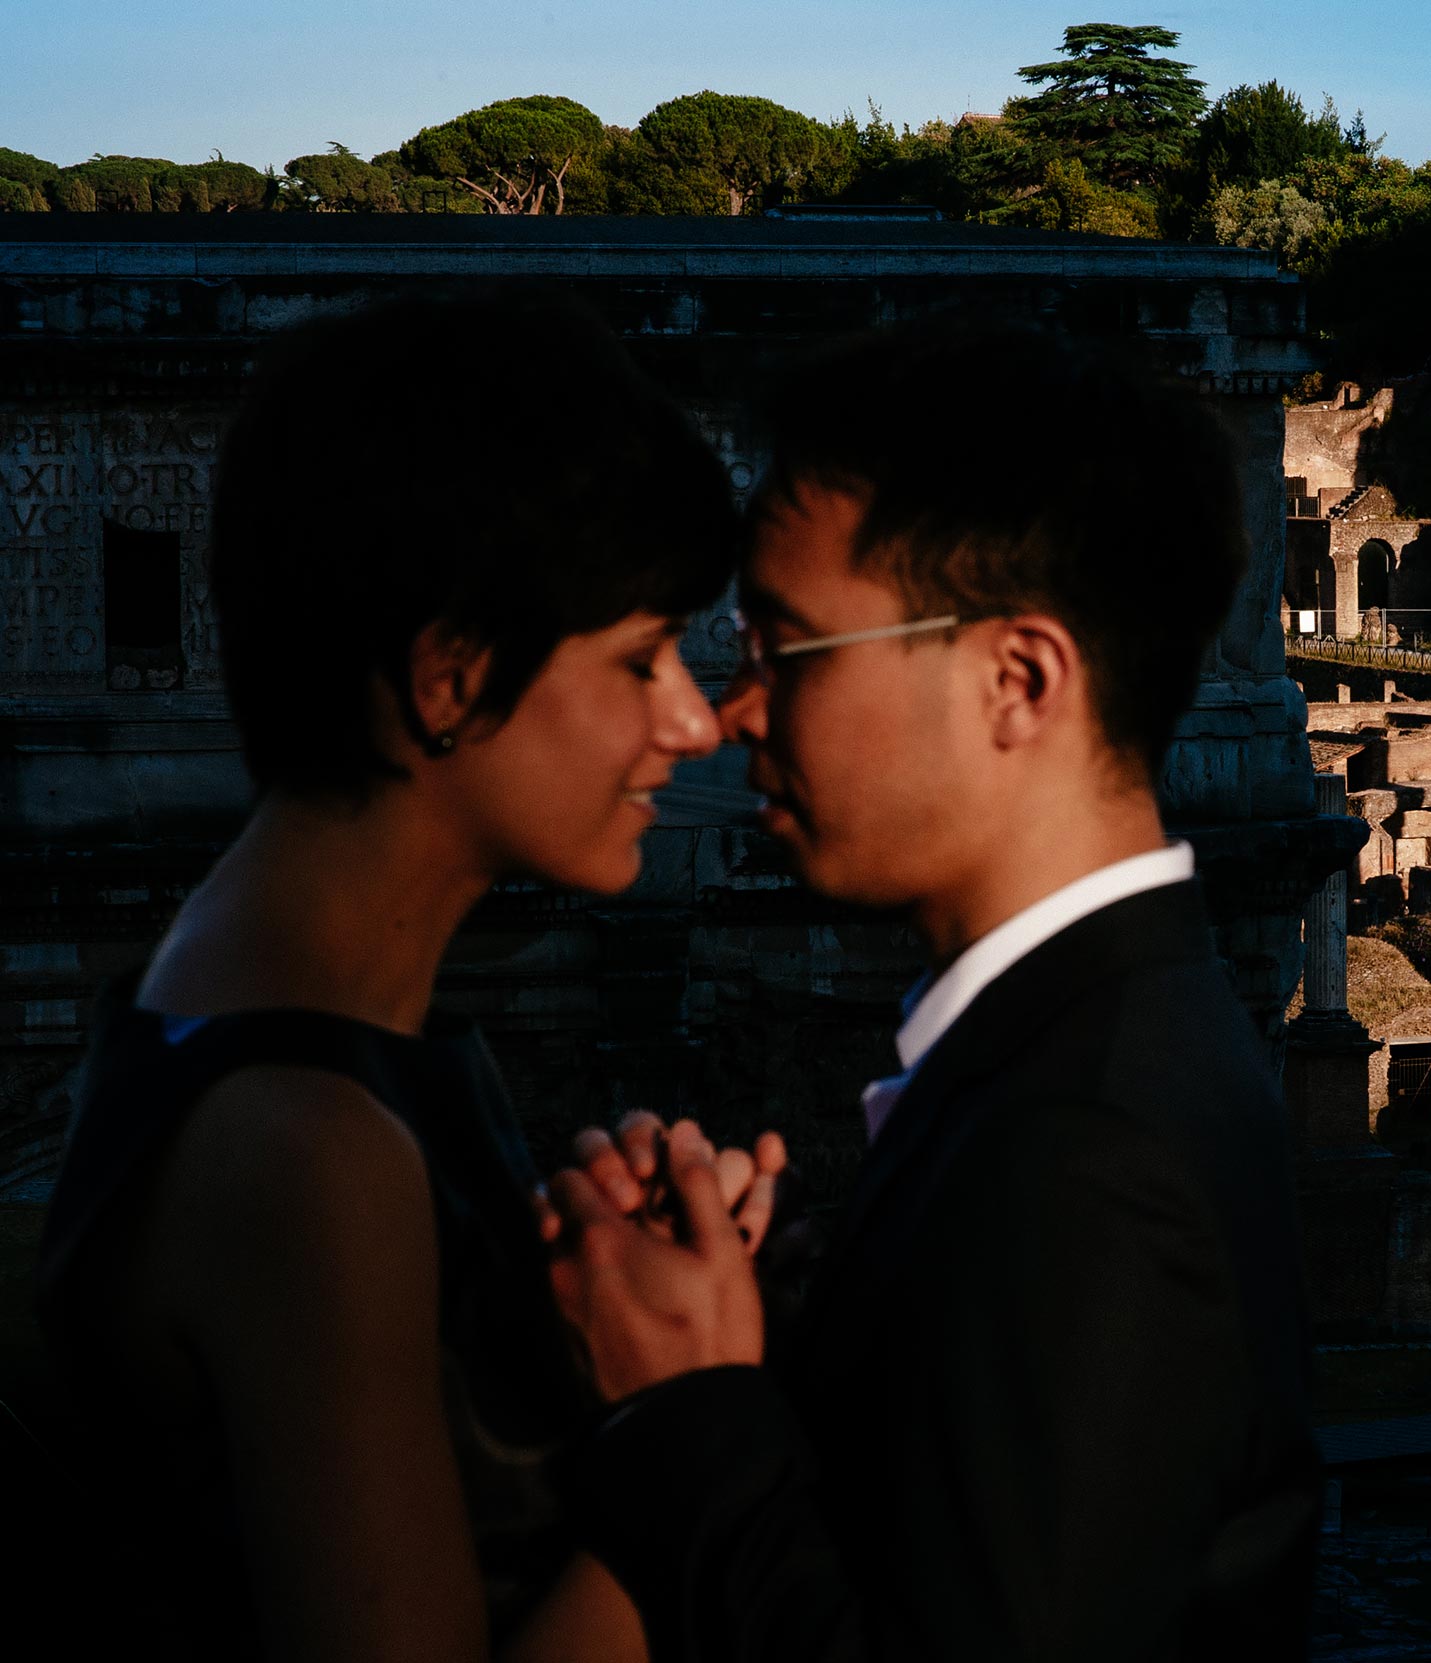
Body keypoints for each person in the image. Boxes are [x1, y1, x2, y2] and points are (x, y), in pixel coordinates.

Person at [545, 324, 1320, 1661]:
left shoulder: (1086, 1156)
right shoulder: (1098, 1060)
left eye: (784, 651)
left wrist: (689, 1406)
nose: (732, 714)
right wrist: (798, 1357)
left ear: (1017, 681)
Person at [35, 288, 782, 1663]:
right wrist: (683, 1418)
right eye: (639, 659)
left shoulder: (238, 1020)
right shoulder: (307, 1153)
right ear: (449, 678)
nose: (693, 719)